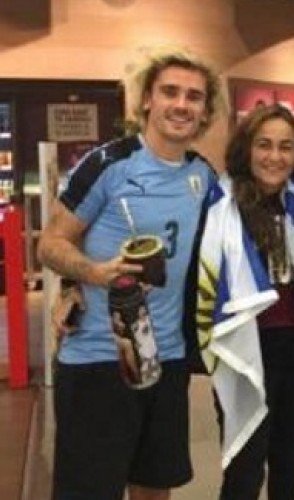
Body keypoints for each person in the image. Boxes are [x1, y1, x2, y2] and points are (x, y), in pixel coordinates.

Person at [36, 47, 221, 500]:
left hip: (167, 359)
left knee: (155, 486)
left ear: (204, 111)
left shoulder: (204, 176)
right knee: (90, 490)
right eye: (170, 92)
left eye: (194, 96)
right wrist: (89, 274)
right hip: (100, 358)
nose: (181, 104)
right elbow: (50, 243)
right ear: (146, 102)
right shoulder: (107, 165)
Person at [195, 104, 294, 500]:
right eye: (265, 145)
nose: (275, 157)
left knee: (290, 462)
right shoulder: (222, 202)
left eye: (286, 147)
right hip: (246, 350)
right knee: (244, 467)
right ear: (247, 148)